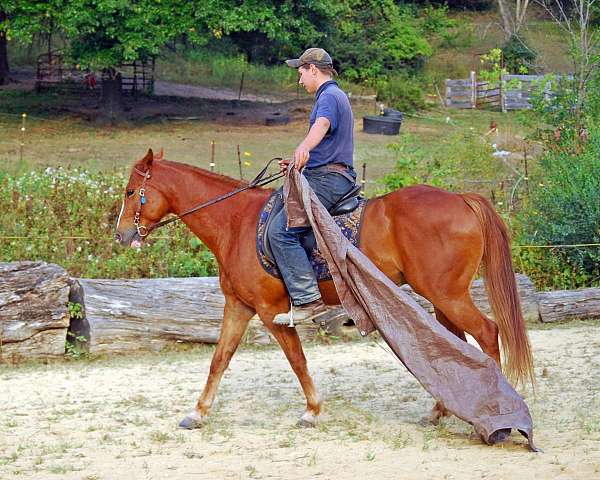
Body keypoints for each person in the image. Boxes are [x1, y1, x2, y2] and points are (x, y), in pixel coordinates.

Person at [270, 48, 356, 326]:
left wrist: (303, 148)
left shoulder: (329, 97)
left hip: (329, 180)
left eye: (301, 73)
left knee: (280, 233)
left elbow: (321, 125)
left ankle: (308, 299)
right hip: (327, 174)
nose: (300, 81)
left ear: (313, 70)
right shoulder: (334, 95)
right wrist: (298, 162)